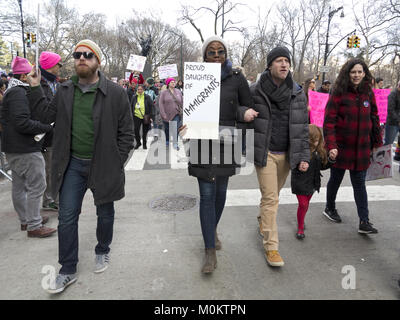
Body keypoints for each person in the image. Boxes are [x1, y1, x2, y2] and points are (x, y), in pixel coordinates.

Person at [27, 39, 134, 294]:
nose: (81, 58)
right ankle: (67, 269)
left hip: (103, 165)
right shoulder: (64, 90)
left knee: (105, 212)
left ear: (98, 61)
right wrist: (33, 87)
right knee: (66, 217)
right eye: (77, 54)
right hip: (72, 165)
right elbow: (43, 116)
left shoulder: (115, 92)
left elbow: (127, 133)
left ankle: (102, 249)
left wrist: (116, 161)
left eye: (88, 55)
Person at [180, 35, 257, 274]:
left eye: (220, 52)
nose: (215, 56)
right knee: (206, 194)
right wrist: (186, 125)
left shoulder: (237, 78)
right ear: (204, 56)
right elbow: (190, 108)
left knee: (221, 193)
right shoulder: (196, 77)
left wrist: (244, 114)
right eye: (211, 52)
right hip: (202, 139)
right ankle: (209, 251)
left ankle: (211, 228)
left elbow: (247, 104)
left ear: (226, 54)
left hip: (228, 139)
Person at [251, 46, 310, 267]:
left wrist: (304, 156)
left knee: (273, 196)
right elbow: (237, 111)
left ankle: (261, 220)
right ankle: (272, 247)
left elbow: (302, 127)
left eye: (287, 60)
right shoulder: (255, 90)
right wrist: (243, 113)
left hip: (287, 154)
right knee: (270, 199)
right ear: (269, 65)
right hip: (265, 153)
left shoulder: (297, 92)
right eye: (279, 60)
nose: (284, 64)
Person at [323, 58, 382, 234]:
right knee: (335, 180)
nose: (356, 75)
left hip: (362, 148)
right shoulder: (339, 92)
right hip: (341, 147)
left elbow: (374, 117)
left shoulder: (368, 93)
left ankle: (364, 221)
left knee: (359, 184)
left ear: (364, 73)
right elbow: (329, 121)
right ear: (347, 74)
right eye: (353, 72)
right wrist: (331, 145)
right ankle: (329, 207)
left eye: (359, 72)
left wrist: (377, 142)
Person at [0, 56, 56, 238]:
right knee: (37, 185)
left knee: (20, 185)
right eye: (33, 74)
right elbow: (22, 122)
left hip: (16, 147)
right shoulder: (18, 93)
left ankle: (27, 219)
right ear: (24, 77)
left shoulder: (13, 91)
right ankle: (33, 224)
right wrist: (46, 128)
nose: (37, 77)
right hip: (25, 148)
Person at [291, 124, 335, 239]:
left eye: (317, 140)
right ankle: (300, 228)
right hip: (300, 184)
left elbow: (322, 166)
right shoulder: (299, 152)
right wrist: (299, 165)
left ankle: (301, 219)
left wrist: (331, 159)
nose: (315, 143)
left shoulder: (319, 151)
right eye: (312, 140)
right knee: (303, 204)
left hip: (313, 184)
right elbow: (291, 163)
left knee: (305, 206)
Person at [39, 51, 63, 211]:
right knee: (49, 169)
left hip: (60, 134)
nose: (60, 67)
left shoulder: (58, 84)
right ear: (49, 66)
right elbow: (42, 111)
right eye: (57, 64)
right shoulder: (38, 85)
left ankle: (56, 197)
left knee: (59, 169)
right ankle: (49, 200)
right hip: (47, 136)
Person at [159, 77, 183, 150]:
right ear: (168, 84)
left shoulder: (178, 91)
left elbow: (182, 101)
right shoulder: (164, 93)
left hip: (176, 113)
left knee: (175, 128)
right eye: (172, 82)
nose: (173, 83)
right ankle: (167, 140)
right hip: (166, 114)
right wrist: (163, 114)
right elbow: (161, 104)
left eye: (174, 82)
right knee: (167, 129)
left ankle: (175, 143)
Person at [131, 84, 153, 149]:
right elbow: (131, 106)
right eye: (138, 89)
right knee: (136, 130)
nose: (139, 90)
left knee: (145, 131)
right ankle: (138, 142)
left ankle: (144, 144)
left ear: (143, 90)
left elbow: (151, 106)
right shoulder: (134, 97)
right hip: (136, 116)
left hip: (145, 116)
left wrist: (151, 116)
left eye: (141, 89)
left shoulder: (147, 97)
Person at [383, 81, 400, 146]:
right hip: (392, 123)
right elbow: (390, 110)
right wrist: (398, 121)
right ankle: (382, 155)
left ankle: (397, 155)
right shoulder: (393, 94)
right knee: (388, 144)